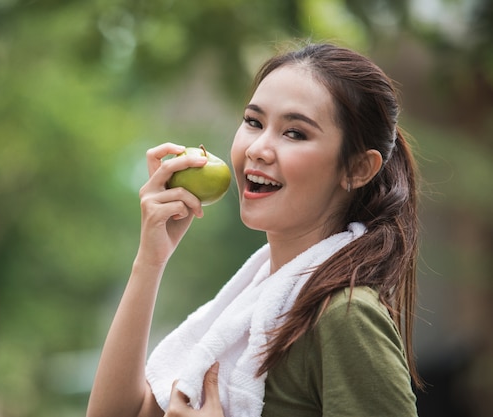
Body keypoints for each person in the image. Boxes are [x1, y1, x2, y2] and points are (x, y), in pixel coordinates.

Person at [86, 42, 423, 417]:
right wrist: (150, 260)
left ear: (358, 169)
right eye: (253, 122)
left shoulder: (345, 316)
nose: (258, 149)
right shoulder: (248, 307)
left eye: (295, 133)